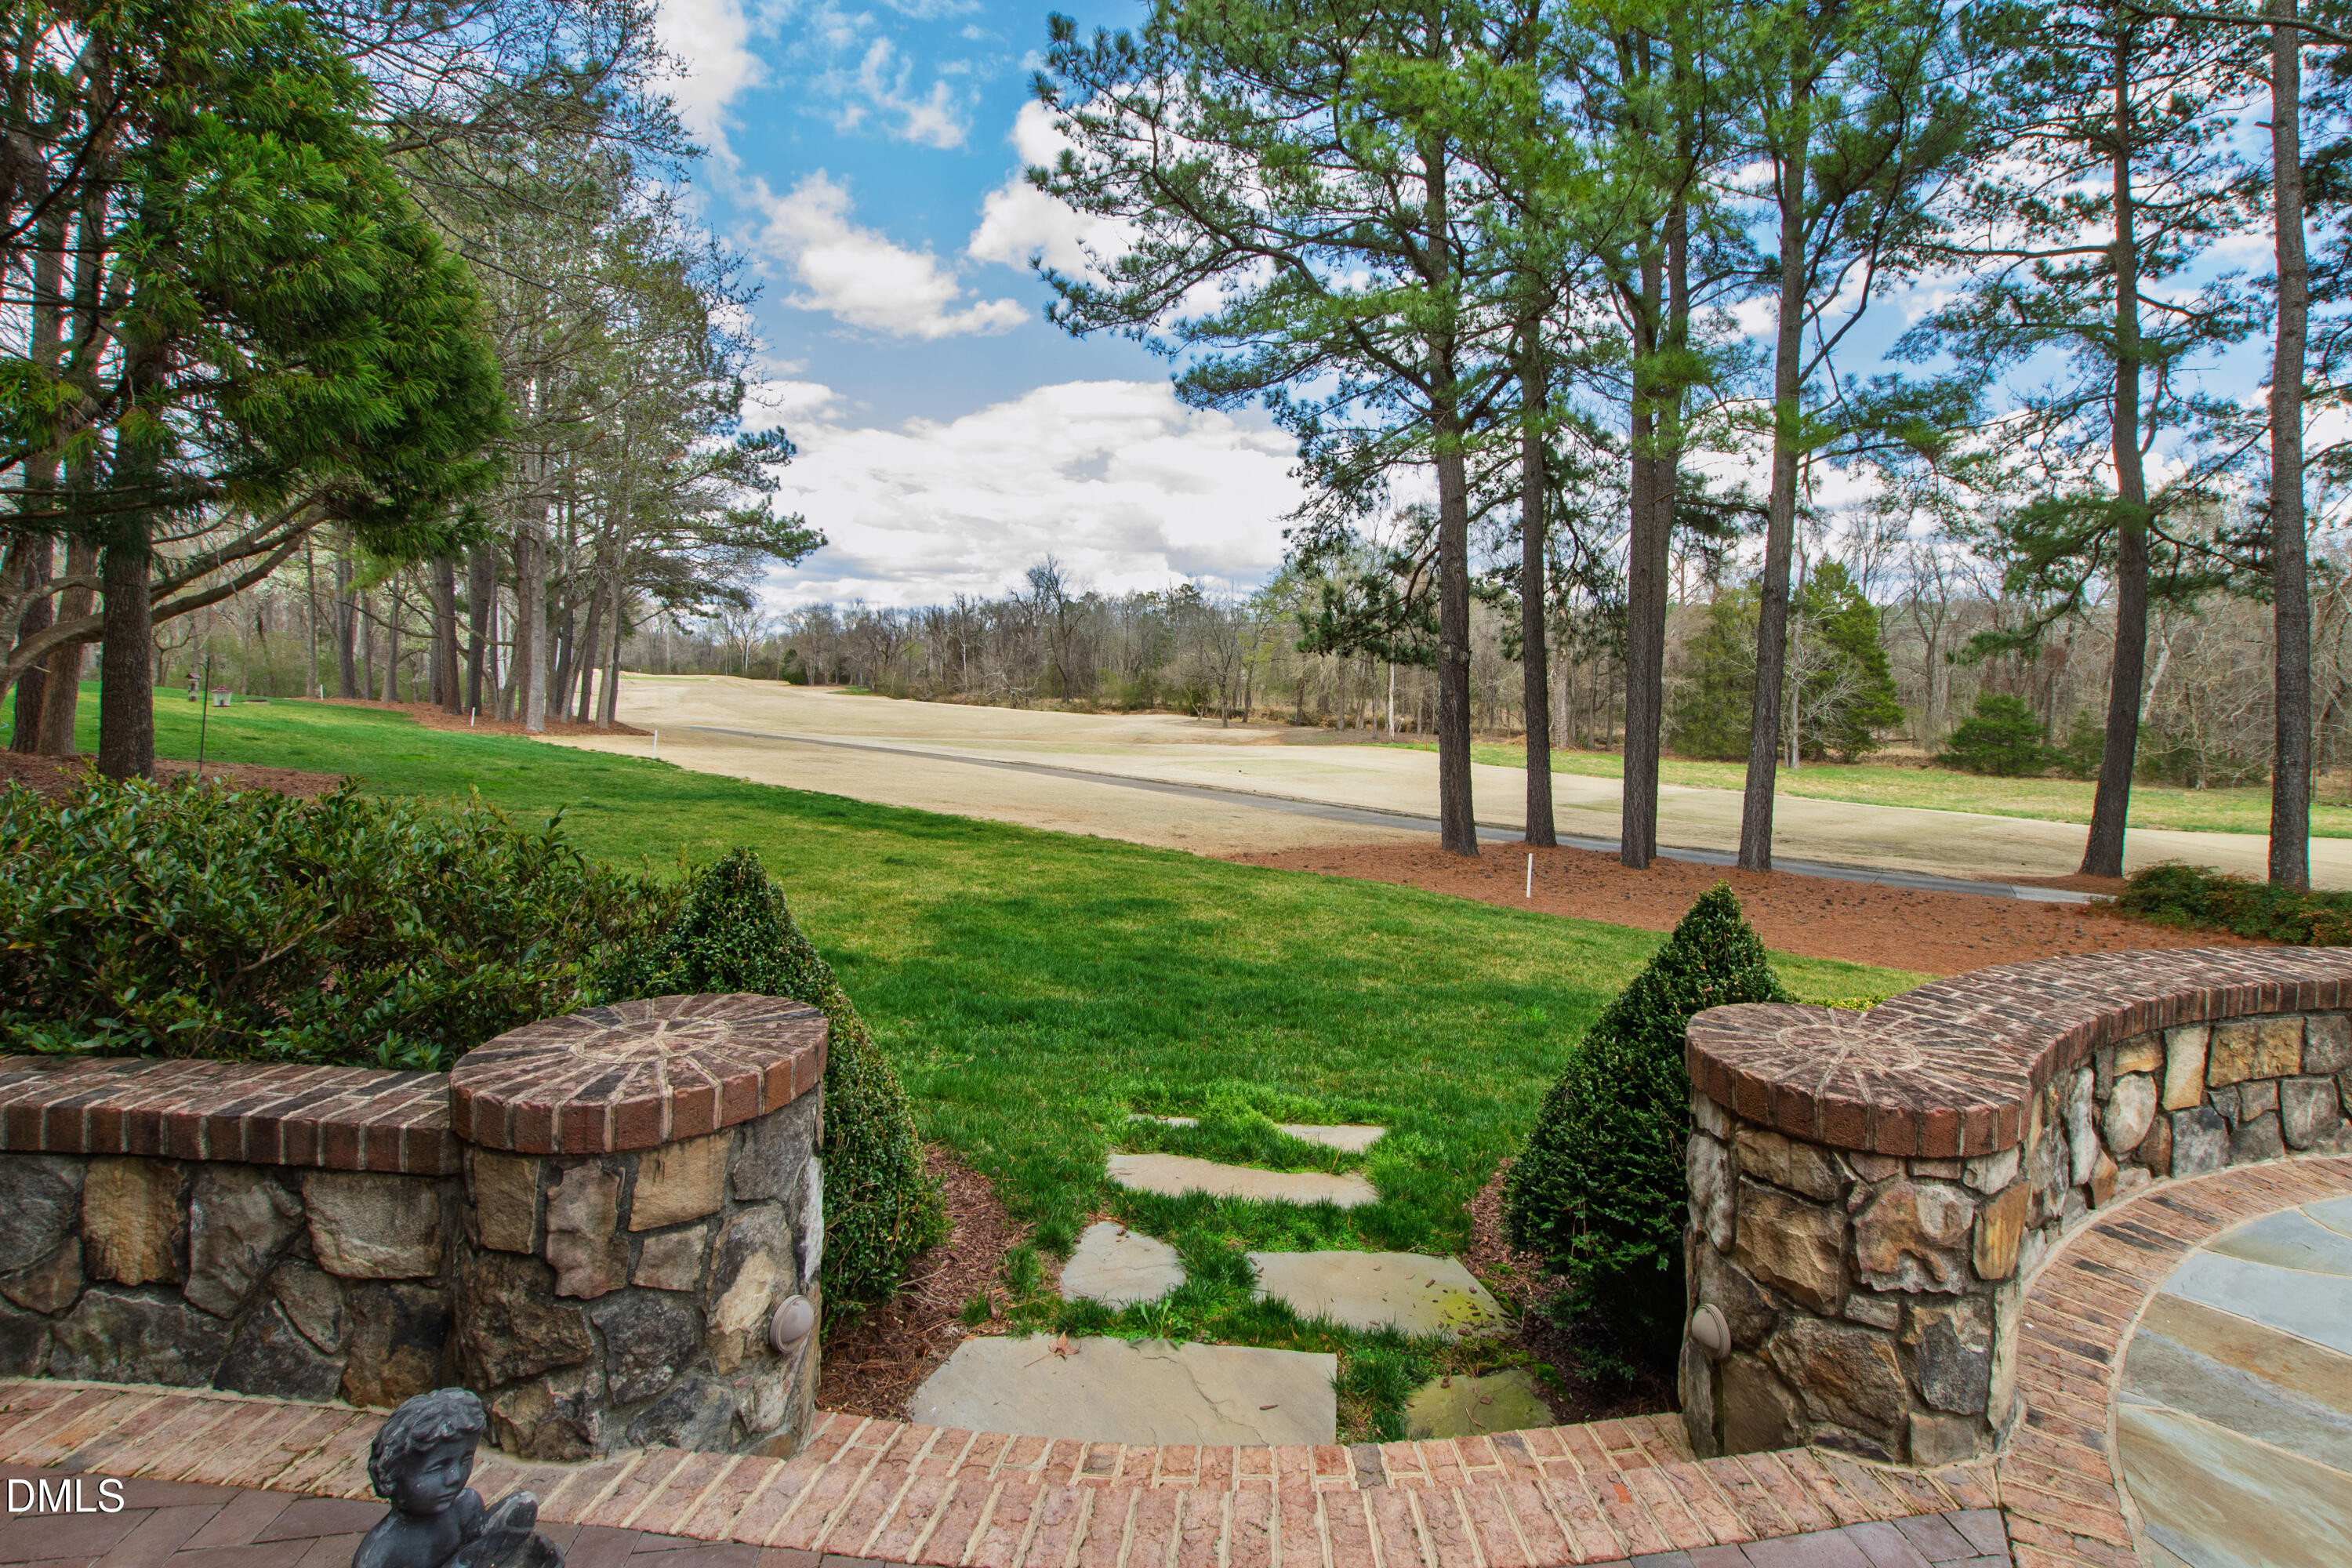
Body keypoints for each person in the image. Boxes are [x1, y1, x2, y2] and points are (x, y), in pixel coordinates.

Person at [353, 1389, 554, 1568]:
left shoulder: (464, 1506)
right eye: (437, 1468)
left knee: (521, 1506)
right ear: (392, 1475)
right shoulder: (382, 1551)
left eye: (465, 1460)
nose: (454, 1477)